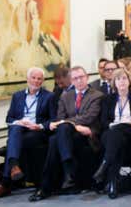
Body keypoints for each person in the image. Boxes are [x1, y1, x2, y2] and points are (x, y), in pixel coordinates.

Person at [29, 66, 104, 202]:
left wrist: (68, 123)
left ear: (87, 77)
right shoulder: (65, 96)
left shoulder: (97, 95)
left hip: (86, 135)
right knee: (55, 138)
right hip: (69, 135)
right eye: (75, 78)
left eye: (81, 77)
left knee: (57, 137)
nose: (79, 80)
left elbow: (88, 118)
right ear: (71, 81)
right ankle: (66, 168)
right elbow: (59, 117)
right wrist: (66, 123)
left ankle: (45, 187)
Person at [0, 68, 56, 198]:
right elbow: (9, 119)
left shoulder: (49, 96)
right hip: (20, 130)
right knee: (16, 129)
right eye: (33, 77)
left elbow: (53, 119)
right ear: (28, 79)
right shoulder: (17, 96)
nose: (36, 81)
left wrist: (38, 125)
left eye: (39, 78)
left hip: (37, 131)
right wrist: (20, 121)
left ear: (42, 81)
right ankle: (14, 167)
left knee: (13, 141)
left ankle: (5, 182)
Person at [94, 68, 131, 199]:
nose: (121, 81)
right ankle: (113, 183)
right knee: (116, 139)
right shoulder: (108, 99)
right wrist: (111, 125)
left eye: (124, 78)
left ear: (129, 81)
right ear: (114, 83)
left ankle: (106, 167)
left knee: (120, 130)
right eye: (118, 79)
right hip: (112, 132)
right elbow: (103, 121)